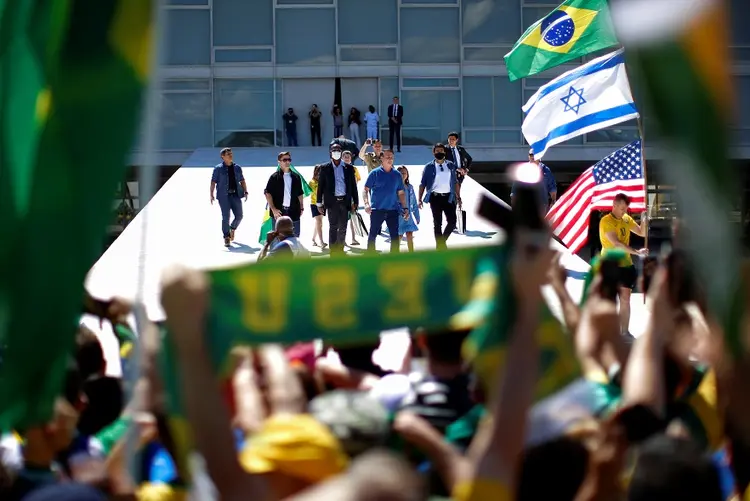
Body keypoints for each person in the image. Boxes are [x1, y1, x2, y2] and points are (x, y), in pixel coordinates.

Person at [599, 192, 649, 338]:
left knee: (625, 299)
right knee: (609, 299)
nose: (624, 211)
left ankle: (624, 331)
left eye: (626, 209)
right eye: (621, 208)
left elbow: (641, 232)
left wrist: (644, 220)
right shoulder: (606, 221)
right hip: (610, 265)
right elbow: (616, 244)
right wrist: (637, 252)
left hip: (626, 265)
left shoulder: (626, 219)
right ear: (614, 205)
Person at [418, 143, 466, 250]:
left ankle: (441, 242)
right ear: (434, 152)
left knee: (452, 222)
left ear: (445, 152)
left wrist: (458, 197)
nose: (439, 152)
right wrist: (419, 199)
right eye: (437, 151)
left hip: (449, 197)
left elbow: (455, 182)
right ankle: (440, 247)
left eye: (441, 150)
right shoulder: (429, 167)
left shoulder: (450, 165)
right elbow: (423, 183)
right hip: (435, 198)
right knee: (437, 223)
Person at [316, 143, 359, 254]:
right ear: (330, 152)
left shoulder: (349, 168)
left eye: (338, 150)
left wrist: (356, 202)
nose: (336, 152)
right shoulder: (325, 168)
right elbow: (320, 187)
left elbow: (353, 186)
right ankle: (333, 250)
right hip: (332, 202)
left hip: (345, 201)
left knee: (343, 227)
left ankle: (340, 249)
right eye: (334, 150)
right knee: (333, 226)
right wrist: (319, 203)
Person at [363, 149, 408, 254]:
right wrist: (366, 204)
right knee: (373, 234)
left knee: (395, 237)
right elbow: (365, 190)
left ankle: (394, 258)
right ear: (381, 158)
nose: (390, 159)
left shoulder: (397, 175)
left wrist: (405, 207)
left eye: (391, 157)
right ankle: (370, 255)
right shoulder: (374, 173)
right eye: (387, 157)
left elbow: (401, 193)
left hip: (393, 210)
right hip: (377, 210)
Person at [210, 148, 247, 247]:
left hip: (235, 195)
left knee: (239, 216)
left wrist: (246, 191)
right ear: (222, 156)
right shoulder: (218, 169)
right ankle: (226, 237)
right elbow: (213, 182)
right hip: (223, 196)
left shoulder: (237, 168)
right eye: (228, 154)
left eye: (231, 153)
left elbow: (242, 180)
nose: (230, 155)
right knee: (226, 217)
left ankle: (233, 228)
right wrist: (211, 194)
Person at [264, 151, 304, 238]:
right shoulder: (274, 177)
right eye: (284, 160)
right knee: (277, 238)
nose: (287, 162)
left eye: (289, 159)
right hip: (279, 212)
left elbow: (300, 193)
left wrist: (301, 207)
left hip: (293, 210)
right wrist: (273, 209)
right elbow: (268, 193)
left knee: (295, 236)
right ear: (279, 162)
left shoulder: (296, 177)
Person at [397, 166, 420, 252]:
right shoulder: (395, 187)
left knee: (410, 235)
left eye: (404, 173)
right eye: (401, 173)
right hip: (399, 215)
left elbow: (413, 202)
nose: (403, 175)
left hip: (409, 215)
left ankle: (411, 253)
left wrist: (417, 216)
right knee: (399, 236)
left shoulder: (410, 187)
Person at [342, 150, 362, 246]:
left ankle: (353, 238)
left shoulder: (354, 169)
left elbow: (356, 181)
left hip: (351, 196)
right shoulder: (339, 169)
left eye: (348, 157)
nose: (347, 158)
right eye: (345, 156)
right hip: (342, 197)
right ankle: (343, 239)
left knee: (352, 218)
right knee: (343, 219)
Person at [308, 165, 326, 249]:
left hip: (322, 204)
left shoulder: (324, 181)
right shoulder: (312, 182)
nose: (319, 173)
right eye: (318, 172)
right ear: (315, 172)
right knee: (319, 222)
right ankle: (321, 241)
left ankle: (313, 238)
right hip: (314, 204)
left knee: (319, 222)